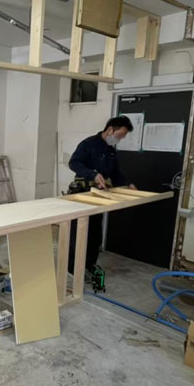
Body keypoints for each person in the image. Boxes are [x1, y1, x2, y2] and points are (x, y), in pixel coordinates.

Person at [66, 115, 137, 275]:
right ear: (110, 130)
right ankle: (72, 268)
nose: (119, 140)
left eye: (122, 137)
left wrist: (128, 183)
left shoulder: (111, 151)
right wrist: (92, 174)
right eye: (119, 135)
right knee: (78, 233)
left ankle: (89, 264)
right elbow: (74, 163)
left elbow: (116, 173)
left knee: (94, 234)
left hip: (99, 196)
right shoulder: (88, 144)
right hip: (82, 194)